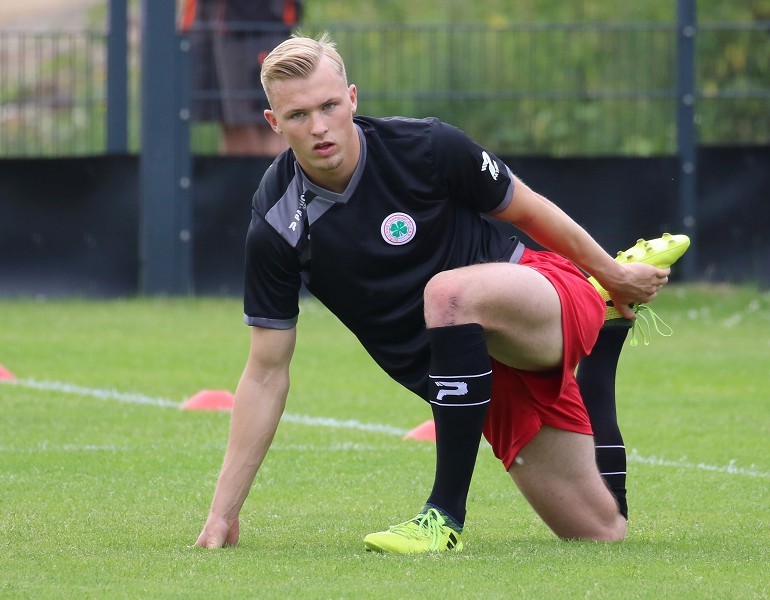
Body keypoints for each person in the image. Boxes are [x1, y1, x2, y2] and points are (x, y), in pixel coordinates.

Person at [195, 33, 671, 553]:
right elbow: (265, 372)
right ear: (274, 123)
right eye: (298, 115)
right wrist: (222, 515)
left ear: (352, 98)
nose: (319, 127)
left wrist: (610, 271)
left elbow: (529, 209)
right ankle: (606, 337)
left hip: (537, 298)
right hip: (475, 375)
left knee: (446, 294)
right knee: (600, 531)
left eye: (329, 106)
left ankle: (443, 517)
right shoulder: (277, 223)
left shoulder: (426, 146)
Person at [180, 0, 303, 156]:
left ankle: (278, 172)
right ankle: (237, 172)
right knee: (229, 122)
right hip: (208, 20)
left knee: (269, 122)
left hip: (256, 21)